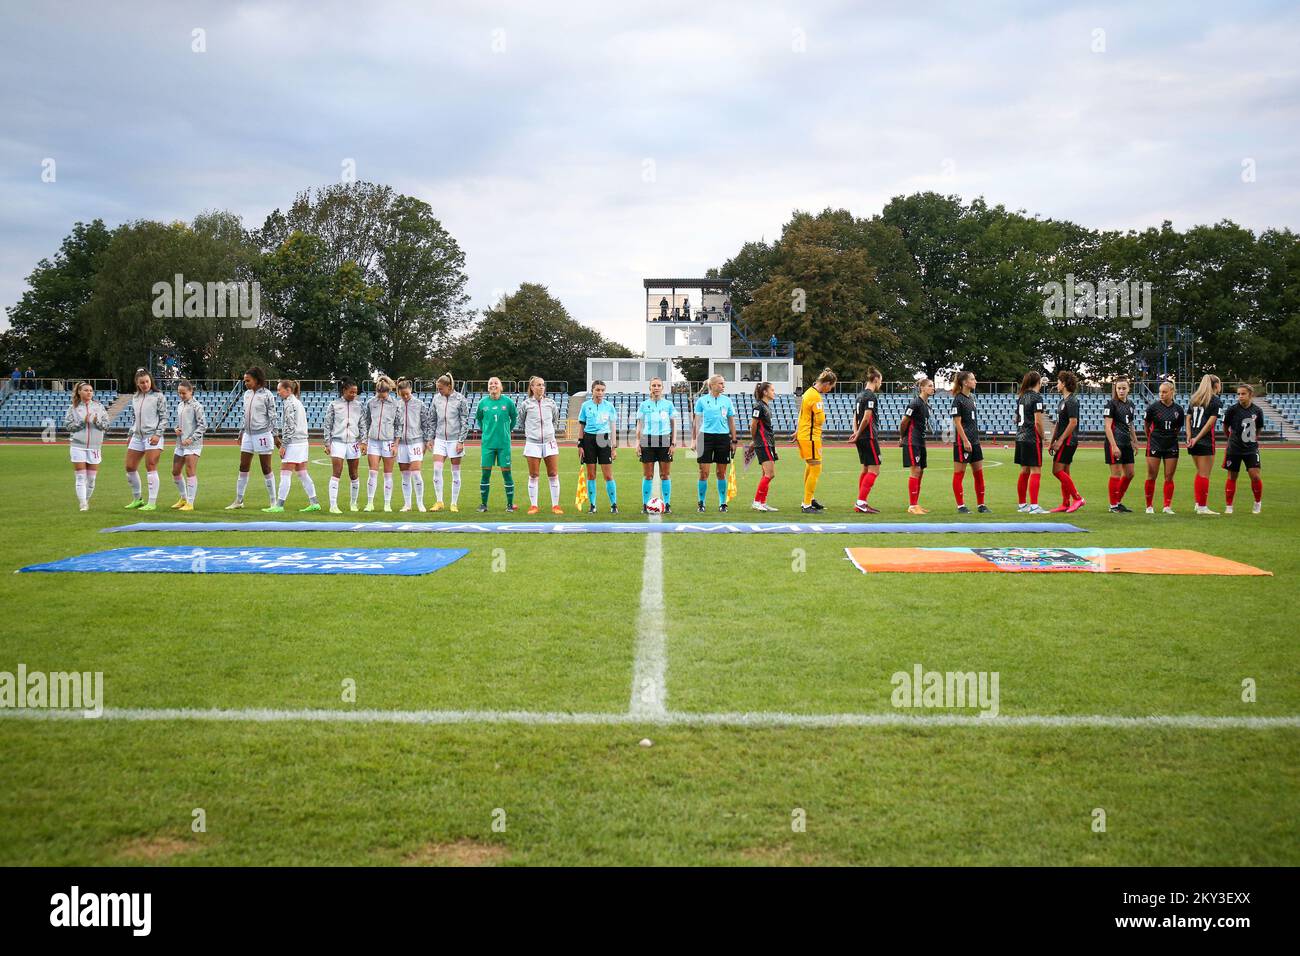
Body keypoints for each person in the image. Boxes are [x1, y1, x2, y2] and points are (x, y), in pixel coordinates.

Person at [225, 366, 278, 510]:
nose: (246, 383)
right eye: (244, 381)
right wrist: (241, 432)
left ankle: (273, 502)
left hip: (263, 434)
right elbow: (245, 415)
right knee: (243, 466)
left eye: (248, 380)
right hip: (248, 434)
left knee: (266, 468)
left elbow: (273, 416)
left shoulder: (267, 395)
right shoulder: (246, 394)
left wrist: (276, 435)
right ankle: (239, 500)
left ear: (257, 380)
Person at [264, 379, 320, 513]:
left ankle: (279, 505)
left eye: (279, 390)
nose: (278, 393)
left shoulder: (289, 403)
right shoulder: (297, 402)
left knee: (285, 473)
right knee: (302, 473)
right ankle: (314, 502)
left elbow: (290, 426)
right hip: (303, 442)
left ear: (288, 390)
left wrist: (284, 445)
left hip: (294, 443)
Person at [123, 368, 168, 511]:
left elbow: (164, 418)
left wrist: (157, 434)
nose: (145, 385)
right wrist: (130, 434)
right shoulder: (135, 397)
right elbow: (135, 418)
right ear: (137, 383)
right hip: (137, 436)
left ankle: (152, 502)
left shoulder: (158, 396)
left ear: (151, 381)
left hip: (152, 436)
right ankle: (138, 499)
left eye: (147, 381)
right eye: (142, 382)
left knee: (150, 466)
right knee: (130, 467)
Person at [693, 374, 738, 513]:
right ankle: (701, 502)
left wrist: (734, 440)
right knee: (703, 472)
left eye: (723, 384)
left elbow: (731, 420)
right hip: (705, 438)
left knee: (721, 473)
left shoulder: (727, 401)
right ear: (712, 385)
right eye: (720, 383)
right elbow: (697, 422)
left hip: (723, 438)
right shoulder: (701, 401)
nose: (723, 386)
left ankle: (722, 503)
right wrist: (694, 440)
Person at [520, 375, 564, 515]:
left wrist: (548, 433)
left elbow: (555, 420)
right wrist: (531, 434)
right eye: (538, 385)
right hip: (533, 443)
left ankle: (555, 505)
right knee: (533, 475)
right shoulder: (526, 404)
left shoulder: (551, 403)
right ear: (532, 387)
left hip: (549, 442)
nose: (541, 387)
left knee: (553, 473)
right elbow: (521, 422)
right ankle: (534, 506)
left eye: (543, 385)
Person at [428, 373, 470, 512]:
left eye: (441, 388)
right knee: (436, 469)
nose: (439, 391)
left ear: (449, 386)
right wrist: (430, 438)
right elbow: (432, 419)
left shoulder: (460, 399)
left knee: (455, 472)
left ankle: (453, 503)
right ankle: (439, 501)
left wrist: (461, 441)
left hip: (454, 440)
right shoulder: (436, 399)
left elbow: (465, 421)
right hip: (440, 439)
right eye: (438, 388)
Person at [795, 369, 837, 514]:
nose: (830, 390)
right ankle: (806, 503)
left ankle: (809, 499)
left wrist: (798, 430)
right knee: (816, 467)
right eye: (830, 386)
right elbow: (820, 419)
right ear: (826, 383)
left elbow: (801, 415)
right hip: (811, 437)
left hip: (805, 435)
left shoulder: (808, 392)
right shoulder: (815, 397)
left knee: (810, 466)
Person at [475, 376, 519, 512]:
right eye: (490, 383)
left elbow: (514, 418)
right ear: (488, 387)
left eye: (496, 383)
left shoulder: (508, 402)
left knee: (507, 474)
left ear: (501, 387)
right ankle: (483, 504)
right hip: (487, 444)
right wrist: (487, 431)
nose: (493, 385)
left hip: (503, 444)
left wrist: (507, 430)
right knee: (485, 474)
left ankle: (510, 505)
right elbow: (479, 419)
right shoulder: (482, 403)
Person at [64, 381, 109, 511]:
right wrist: (82, 423)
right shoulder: (73, 408)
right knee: (80, 476)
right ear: (79, 392)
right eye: (86, 390)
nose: (89, 392)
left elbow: (106, 425)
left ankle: (86, 499)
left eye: (90, 390)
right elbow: (68, 426)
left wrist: (97, 422)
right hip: (78, 446)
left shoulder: (99, 407)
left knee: (91, 479)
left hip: (95, 447)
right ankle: (83, 503)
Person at [576, 379, 619, 514]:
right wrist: (580, 444)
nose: (600, 392)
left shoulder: (609, 406)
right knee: (591, 474)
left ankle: (613, 504)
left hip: (603, 438)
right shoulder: (585, 406)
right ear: (592, 390)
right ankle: (593, 505)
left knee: (608, 475)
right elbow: (582, 426)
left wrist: (614, 446)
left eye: (602, 390)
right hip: (588, 439)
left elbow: (613, 427)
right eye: (597, 390)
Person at [636, 376, 677, 514]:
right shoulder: (643, 405)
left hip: (664, 440)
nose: (656, 388)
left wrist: (673, 443)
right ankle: (644, 504)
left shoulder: (668, 405)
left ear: (662, 388)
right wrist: (637, 443)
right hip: (647, 440)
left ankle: (667, 504)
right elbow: (639, 425)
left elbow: (674, 425)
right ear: (650, 388)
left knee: (665, 474)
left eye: (659, 385)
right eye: (654, 385)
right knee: (648, 475)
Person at [949, 371, 989, 514]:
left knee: (979, 473)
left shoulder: (971, 398)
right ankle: (961, 506)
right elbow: (957, 423)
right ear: (965, 382)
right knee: (959, 473)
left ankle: (981, 505)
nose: (975, 381)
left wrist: (973, 440)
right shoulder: (958, 400)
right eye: (972, 379)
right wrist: (965, 440)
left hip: (975, 441)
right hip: (962, 442)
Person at [322, 378, 363, 513]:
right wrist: (327, 443)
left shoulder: (359, 405)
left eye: (355, 392)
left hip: (353, 443)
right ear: (344, 390)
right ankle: (333, 505)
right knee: (337, 472)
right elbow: (327, 425)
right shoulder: (334, 405)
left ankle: (353, 503)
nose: (353, 395)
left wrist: (364, 442)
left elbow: (363, 425)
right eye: (351, 392)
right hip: (338, 442)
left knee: (354, 473)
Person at [1221, 384, 1264, 515]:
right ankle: (1229, 506)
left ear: (1250, 395)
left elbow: (1259, 428)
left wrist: (1253, 439)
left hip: (1250, 448)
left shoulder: (1257, 411)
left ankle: (1257, 503)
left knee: (1255, 476)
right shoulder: (1232, 410)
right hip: (1234, 448)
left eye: (1243, 394)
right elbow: (1225, 425)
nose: (1240, 396)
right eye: (1238, 394)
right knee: (1232, 477)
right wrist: (1230, 438)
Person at [1143, 379, 1185, 514]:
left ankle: (1167, 506)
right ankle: (1149, 506)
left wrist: (1170, 436)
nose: (1161, 394)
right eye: (1160, 392)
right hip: (1155, 443)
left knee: (1169, 476)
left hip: (1171, 444)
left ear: (1172, 392)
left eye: (1165, 392)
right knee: (1151, 475)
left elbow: (1178, 427)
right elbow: (1147, 426)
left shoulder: (1178, 409)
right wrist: (1152, 437)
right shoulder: (1153, 408)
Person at [360, 375, 400, 512]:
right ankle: (370, 503)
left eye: (383, 395)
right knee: (373, 472)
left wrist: (396, 443)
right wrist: (364, 441)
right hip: (373, 441)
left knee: (388, 474)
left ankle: (387, 503)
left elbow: (398, 424)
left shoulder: (395, 403)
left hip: (388, 441)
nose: (381, 398)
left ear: (388, 392)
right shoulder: (371, 403)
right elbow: (366, 422)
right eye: (379, 395)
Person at [1047, 370, 1084, 513]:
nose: (1057, 384)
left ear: (1064, 384)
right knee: (1065, 472)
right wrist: (1052, 441)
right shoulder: (1063, 401)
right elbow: (1058, 423)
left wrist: (1060, 441)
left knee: (1056, 471)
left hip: (1068, 441)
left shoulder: (1072, 401)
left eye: (1058, 381)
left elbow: (1073, 422)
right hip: (1063, 440)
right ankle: (1065, 503)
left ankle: (1078, 498)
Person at [848, 367, 883, 513]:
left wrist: (856, 433)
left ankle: (861, 501)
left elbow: (855, 416)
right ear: (876, 379)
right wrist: (859, 433)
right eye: (881, 380)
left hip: (861, 437)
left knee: (866, 468)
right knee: (875, 469)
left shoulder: (859, 395)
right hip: (868, 436)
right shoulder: (870, 396)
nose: (881, 383)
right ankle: (861, 502)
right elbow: (867, 417)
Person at [1187, 373, 1223, 515]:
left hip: (1194, 440)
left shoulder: (1195, 399)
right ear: (1216, 385)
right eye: (1219, 384)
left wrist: (1190, 436)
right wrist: (1197, 438)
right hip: (1205, 440)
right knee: (1204, 474)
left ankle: (1198, 504)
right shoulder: (1215, 401)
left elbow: (1188, 419)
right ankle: (1202, 507)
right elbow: (1210, 424)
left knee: (1200, 473)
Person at [1102, 376, 1138, 513]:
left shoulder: (1131, 405)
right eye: (1118, 388)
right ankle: (1113, 505)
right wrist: (1114, 446)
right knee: (1116, 473)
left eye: (1123, 388)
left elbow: (1130, 424)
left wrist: (1134, 441)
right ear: (1115, 389)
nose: (1121, 391)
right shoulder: (1111, 404)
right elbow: (1107, 426)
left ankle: (1118, 500)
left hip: (1126, 443)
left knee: (1130, 473)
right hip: (1115, 443)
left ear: (1129, 389)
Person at [1014, 371, 1048, 514]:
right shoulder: (1036, 397)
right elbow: (1038, 422)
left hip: (1020, 437)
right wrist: (1043, 437)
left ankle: (1022, 504)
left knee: (1024, 470)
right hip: (1031, 438)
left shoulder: (1021, 397)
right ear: (1037, 382)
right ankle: (1034, 505)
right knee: (1036, 470)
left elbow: (1016, 419)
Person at [170, 379, 206, 511]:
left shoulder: (197, 406)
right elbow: (180, 423)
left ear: (191, 391)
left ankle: (190, 502)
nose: (181, 395)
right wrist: (176, 429)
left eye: (183, 393)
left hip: (193, 444)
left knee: (190, 471)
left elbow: (203, 426)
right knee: (175, 471)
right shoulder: (180, 405)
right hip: (180, 443)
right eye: (179, 393)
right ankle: (183, 498)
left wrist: (191, 439)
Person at [395, 378, 430, 513]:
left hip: (416, 441)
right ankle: (407, 504)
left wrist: (426, 442)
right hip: (402, 444)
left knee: (416, 473)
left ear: (411, 390)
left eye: (407, 394)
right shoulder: (396, 405)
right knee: (405, 475)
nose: (405, 396)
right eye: (402, 394)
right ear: (398, 393)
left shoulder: (419, 404)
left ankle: (420, 503)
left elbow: (425, 424)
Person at [900, 378, 934, 515]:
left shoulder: (925, 404)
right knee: (915, 471)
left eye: (933, 386)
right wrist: (902, 437)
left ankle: (916, 504)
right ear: (923, 388)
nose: (933, 388)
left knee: (920, 471)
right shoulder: (915, 403)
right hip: (912, 441)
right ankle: (912, 506)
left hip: (921, 441)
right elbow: (904, 422)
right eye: (930, 386)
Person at [749, 381, 779, 512]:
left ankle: (762, 501)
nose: (774, 392)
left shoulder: (766, 406)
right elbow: (753, 425)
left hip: (768, 442)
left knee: (766, 474)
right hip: (763, 443)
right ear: (765, 392)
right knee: (770, 474)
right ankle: (756, 501)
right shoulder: (758, 406)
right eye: (772, 390)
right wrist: (754, 440)